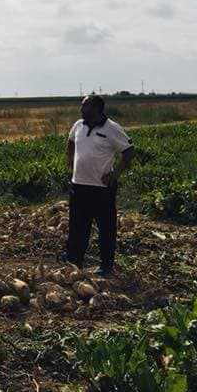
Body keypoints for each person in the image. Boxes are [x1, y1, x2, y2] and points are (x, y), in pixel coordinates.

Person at [65, 94, 135, 275]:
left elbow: (128, 152)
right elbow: (71, 142)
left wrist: (115, 174)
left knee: (106, 228)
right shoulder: (78, 126)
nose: (81, 109)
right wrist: (71, 162)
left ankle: (106, 265)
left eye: (85, 106)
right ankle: (74, 263)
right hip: (79, 186)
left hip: (101, 189)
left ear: (96, 108)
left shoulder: (112, 129)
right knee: (77, 227)